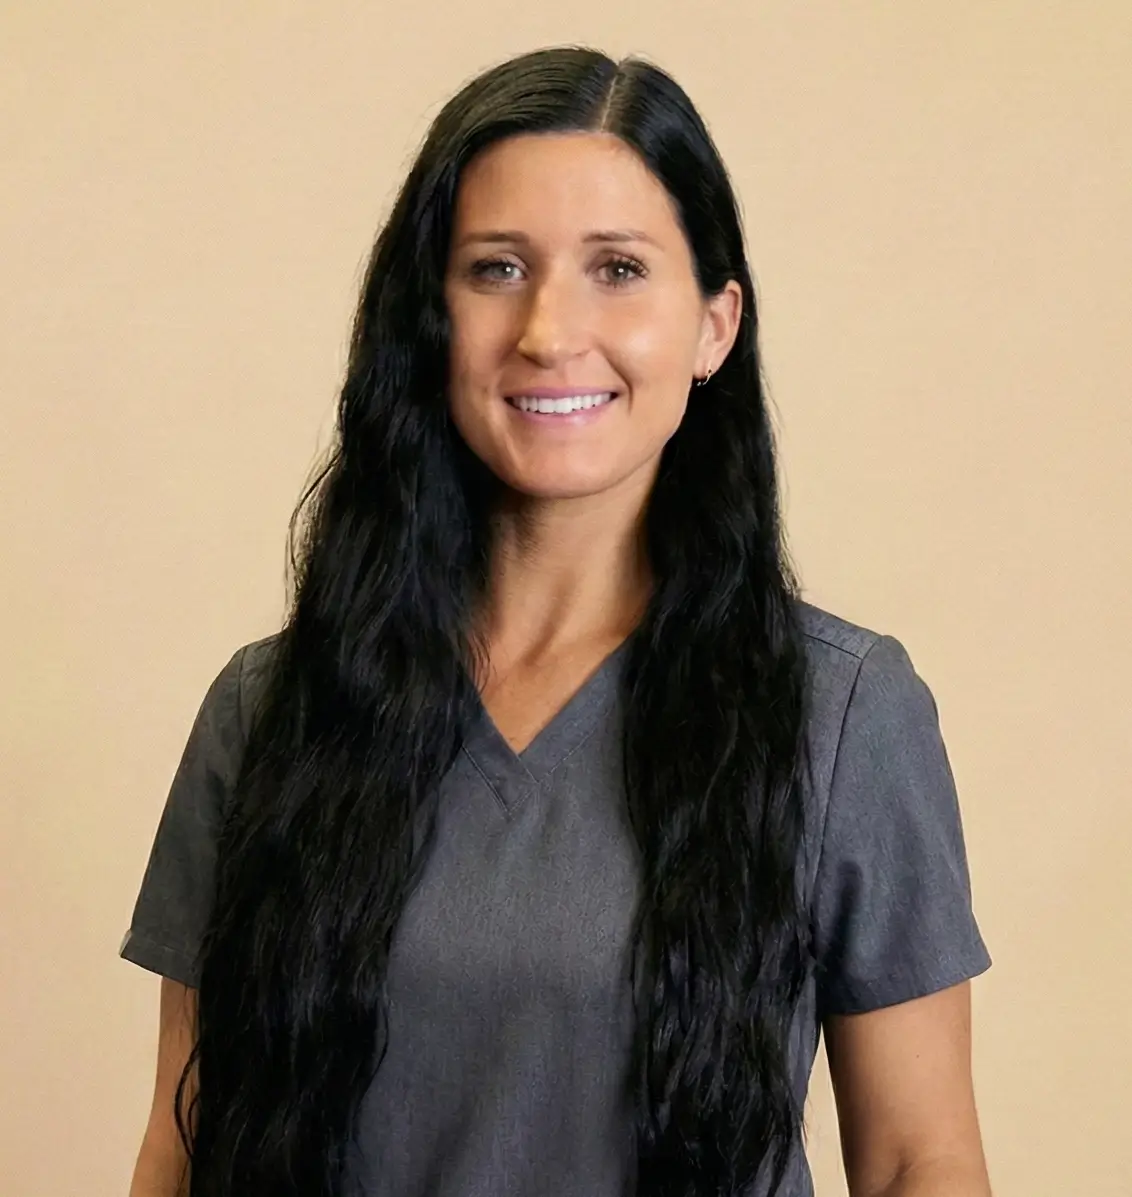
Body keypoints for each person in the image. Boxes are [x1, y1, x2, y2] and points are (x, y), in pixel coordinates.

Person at [121, 45, 992, 1197]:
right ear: (429, 318)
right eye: (495, 268)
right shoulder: (266, 710)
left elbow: (916, 1161)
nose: (546, 329)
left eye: (618, 268)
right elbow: (183, 1148)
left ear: (714, 326)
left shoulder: (841, 714)